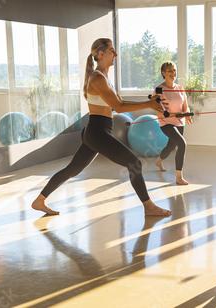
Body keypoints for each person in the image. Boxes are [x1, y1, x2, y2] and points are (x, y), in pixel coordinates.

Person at [31, 38, 171, 217]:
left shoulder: (104, 78)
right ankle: (149, 206)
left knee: (72, 169)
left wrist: (149, 103)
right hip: (97, 132)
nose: (116, 54)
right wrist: (148, 104)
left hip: (96, 131)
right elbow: (119, 107)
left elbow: (118, 103)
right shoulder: (97, 79)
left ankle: (40, 200)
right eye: (112, 50)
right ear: (101, 54)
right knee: (134, 163)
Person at [154, 61, 192, 185]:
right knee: (182, 143)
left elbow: (185, 106)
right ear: (163, 73)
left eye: (174, 70)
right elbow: (159, 109)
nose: (173, 73)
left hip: (179, 122)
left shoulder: (180, 88)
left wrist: (186, 114)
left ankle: (159, 160)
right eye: (170, 71)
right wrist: (167, 114)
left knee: (171, 146)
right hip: (166, 123)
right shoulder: (159, 89)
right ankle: (178, 177)